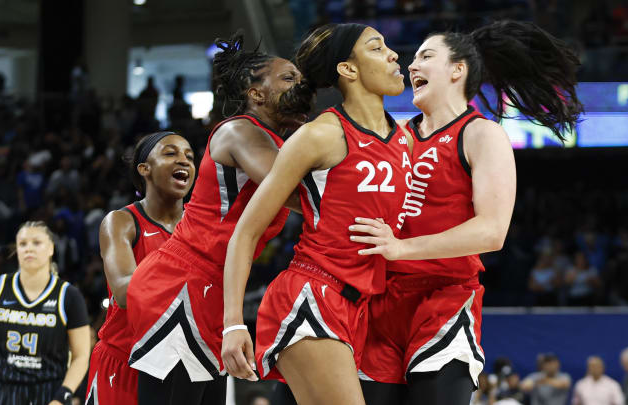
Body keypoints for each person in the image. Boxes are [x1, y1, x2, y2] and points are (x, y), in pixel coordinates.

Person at [349, 20, 582, 405]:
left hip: (443, 300)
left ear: (458, 70)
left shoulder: (481, 134)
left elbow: (492, 231)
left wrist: (402, 249)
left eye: (425, 56)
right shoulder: (393, 134)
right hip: (378, 301)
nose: (411, 66)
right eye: (412, 58)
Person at [222, 23, 408, 405]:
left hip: (359, 308)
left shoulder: (402, 137)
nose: (393, 54)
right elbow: (246, 232)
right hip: (312, 297)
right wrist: (233, 323)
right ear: (348, 69)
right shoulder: (320, 135)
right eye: (377, 47)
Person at [124, 30, 310, 405]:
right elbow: (300, 194)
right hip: (181, 284)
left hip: (214, 284)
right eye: (289, 78)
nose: (300, 86)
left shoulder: (275, 140)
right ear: (256, 93)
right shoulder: (241, 132)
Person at [84, 131, 196, 404]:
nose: (184, 161)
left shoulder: (200, 224)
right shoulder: (121, 221)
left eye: (190, 157)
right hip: (124, 361)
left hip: (182, 365)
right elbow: (125, 292)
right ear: (144, 169)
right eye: (170, 153)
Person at [0, 221, 91, 404]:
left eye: (36, 243)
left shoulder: (68, 296)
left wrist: (63, 395)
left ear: (51, 249)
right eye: (22, 244)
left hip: (48, 391)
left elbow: (81, 356)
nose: (28, 248)